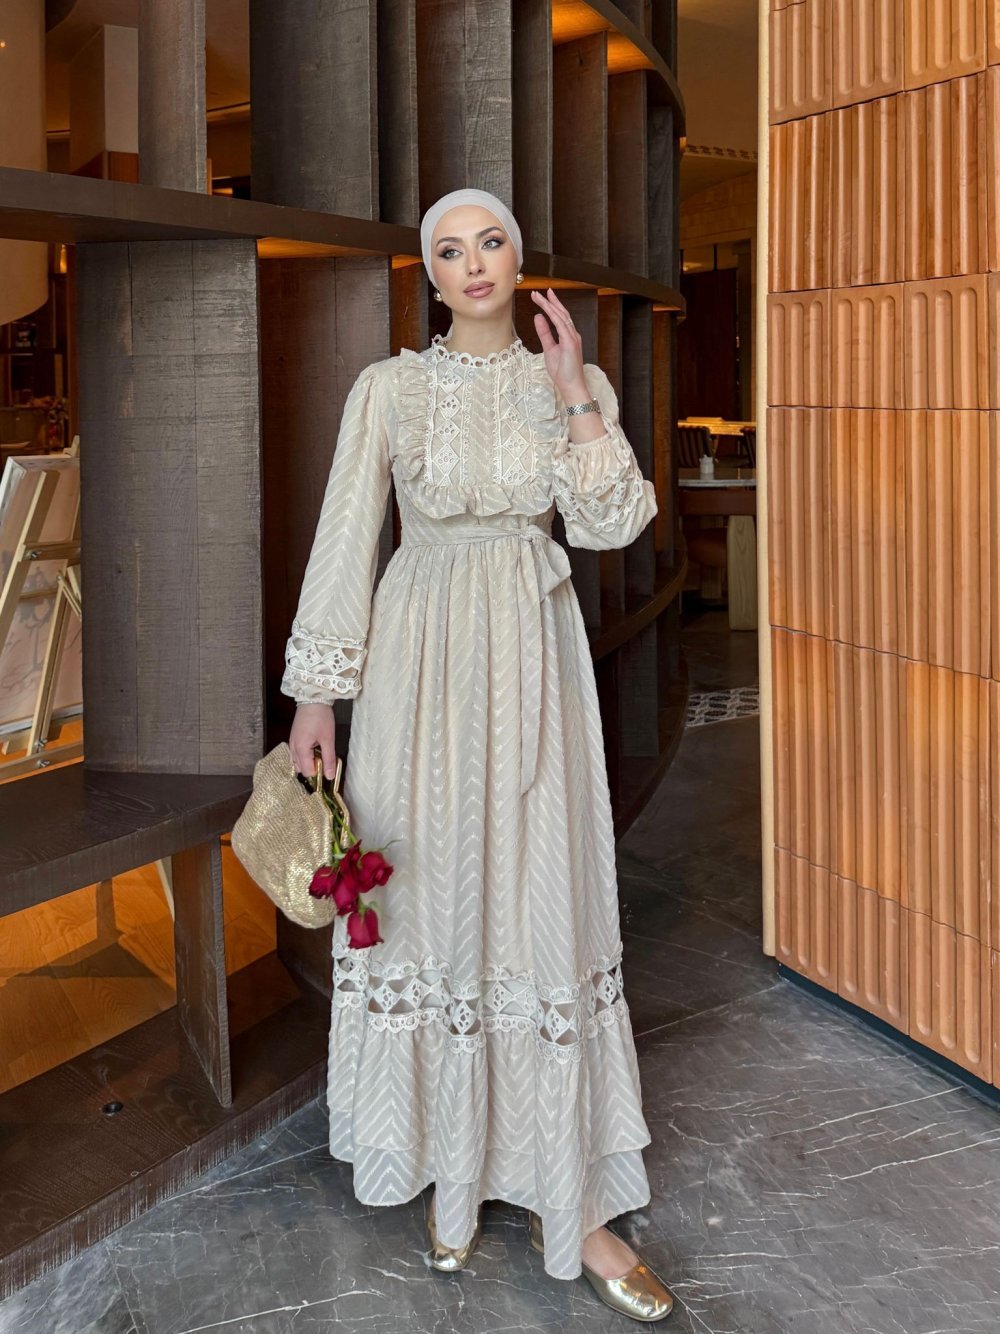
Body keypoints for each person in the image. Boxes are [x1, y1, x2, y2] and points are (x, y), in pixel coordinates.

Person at [283, 186, 673, 1322]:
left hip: (533, 668)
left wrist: (576, 395)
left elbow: (611, 527)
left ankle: (571, 1198)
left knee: (543, 900)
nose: (474, 262)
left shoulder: (570, 383)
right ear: (432, 272)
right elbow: (345, 536)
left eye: (490, 240)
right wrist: (317, 695)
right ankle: (450, 1170)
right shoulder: (389, 389)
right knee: (434, 902)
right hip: (416, 677)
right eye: (450, 249)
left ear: (516, 254)